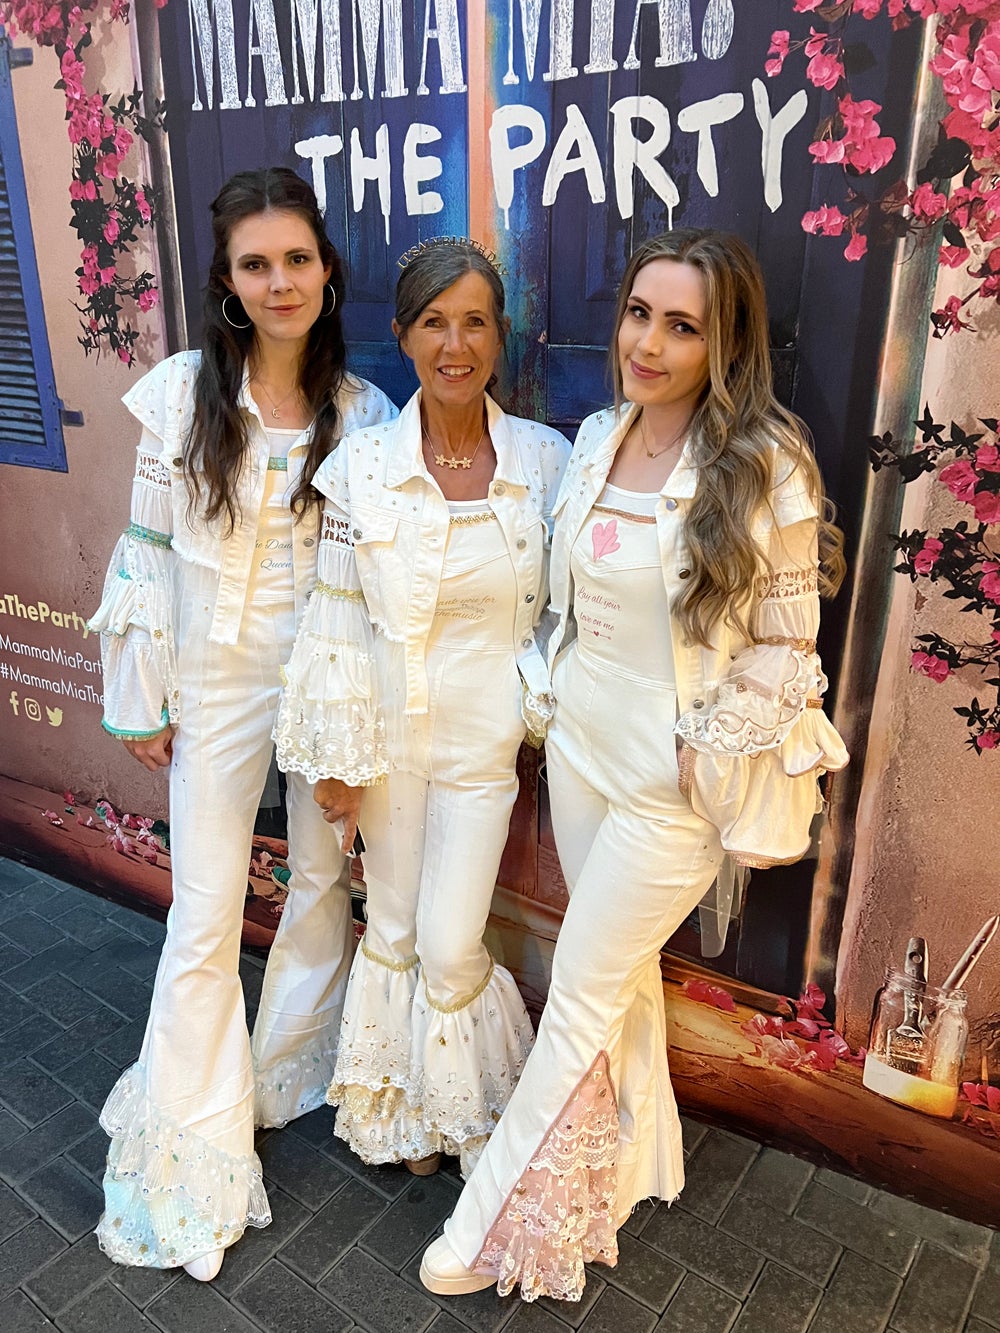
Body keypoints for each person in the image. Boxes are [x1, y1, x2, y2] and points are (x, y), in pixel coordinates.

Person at [419, 228, 849, 1302]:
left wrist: (703, 753)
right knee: (617, 982)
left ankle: (479, 1227)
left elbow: (787, 643)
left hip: (670, 779)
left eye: (682, 324)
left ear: (723, 343)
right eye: (638, 314)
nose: (647, 343)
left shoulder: (764, 463)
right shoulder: (601, 433)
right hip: (578, 750)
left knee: (577, 989)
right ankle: (642, 1153)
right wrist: (548, 701)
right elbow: (569, 603)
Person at [87, 167, 396, 1281]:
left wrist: (352, 741)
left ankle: (271, 1080)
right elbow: (146, 551)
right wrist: (142, 692)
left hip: (318, 684)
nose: (280, 281)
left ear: (326, 269)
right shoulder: (179, 394)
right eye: (256, 263)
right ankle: (189, 1157)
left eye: (298, 260)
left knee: (321, 885)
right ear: (225, 276)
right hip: (213, 684)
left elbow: (362, 594)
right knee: (207, 912)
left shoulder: (365, 416)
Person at [274, 236, 571, 1179]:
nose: (456, 343)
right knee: (393, 930)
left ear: (499, 335)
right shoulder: (357, 468)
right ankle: (407, 1110)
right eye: (434, 321)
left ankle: (468, 1102)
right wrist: (336, 759)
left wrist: (541, 702)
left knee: (451, 945)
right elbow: (331, 621)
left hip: (486, 750)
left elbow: (574, 605)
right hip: (386, 743)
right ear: (401, 335)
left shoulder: (548, 460)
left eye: (474, 320)